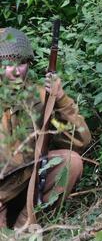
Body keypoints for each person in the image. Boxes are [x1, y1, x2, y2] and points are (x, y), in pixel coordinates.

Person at [0, 27, 92, 229]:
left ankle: (27, 227)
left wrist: (60, 99)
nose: (15, 71)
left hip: (27, 187)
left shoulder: (40, 96)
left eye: (21, 63)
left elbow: (81, 140)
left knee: (71, 162)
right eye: (7, 64)